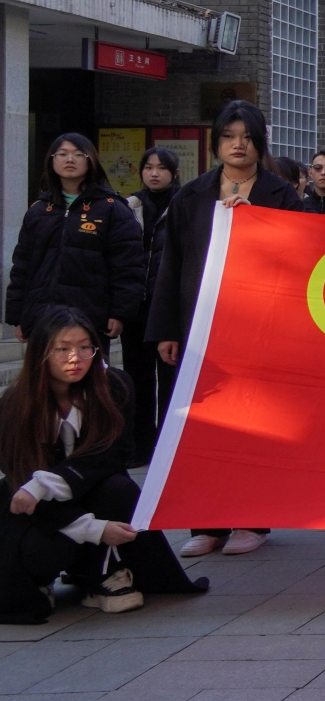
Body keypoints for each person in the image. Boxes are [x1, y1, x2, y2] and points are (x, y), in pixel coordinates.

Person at [148, 100, 305, 559]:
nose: (239, 145)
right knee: (200, 426)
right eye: (229, 136)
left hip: (261, 331)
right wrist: (166, 330)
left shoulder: (281, 195)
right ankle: (206, 523)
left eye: (248, 137)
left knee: (254, 426)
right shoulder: (191, 195)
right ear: (216, 142)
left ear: (261, 143)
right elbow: (171, 265)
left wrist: (256, 220)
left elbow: (301, 256)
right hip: (200, 327)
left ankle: (252, 520)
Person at [0, 309, 208, 624]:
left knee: (119, 489)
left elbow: (114, 454)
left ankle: (101, 574)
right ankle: (42, 579)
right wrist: (93, 529)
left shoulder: (114, 386)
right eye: (62, 348)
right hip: (38, 511)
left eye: (85, 347)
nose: (75, 358)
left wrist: (48, 481)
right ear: (41, 352)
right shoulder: (15, 404)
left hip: (93, 490)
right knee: (41, 548)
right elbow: (21, 483)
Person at [7, 134, 144, 348]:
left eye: (78, 154)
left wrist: (120, 312)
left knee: (87, 369)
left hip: (90, 316)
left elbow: (128, 266)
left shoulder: (112, 208)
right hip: (43, 317)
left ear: (91, 161)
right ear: (52, 161)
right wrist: (17, 315)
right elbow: (22, 267)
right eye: (62, 154)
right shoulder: (38, 210)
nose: (70, 159)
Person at [123, 147, 179, 464]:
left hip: (169, 309)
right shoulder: (129, 207)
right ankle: (140, 445)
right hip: (136, 308)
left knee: (170, 379)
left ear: (174, 173)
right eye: (148, 167)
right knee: (137, 379)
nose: (154, 173)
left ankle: (168, 446)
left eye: (161, 168)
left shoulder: (184, 206)